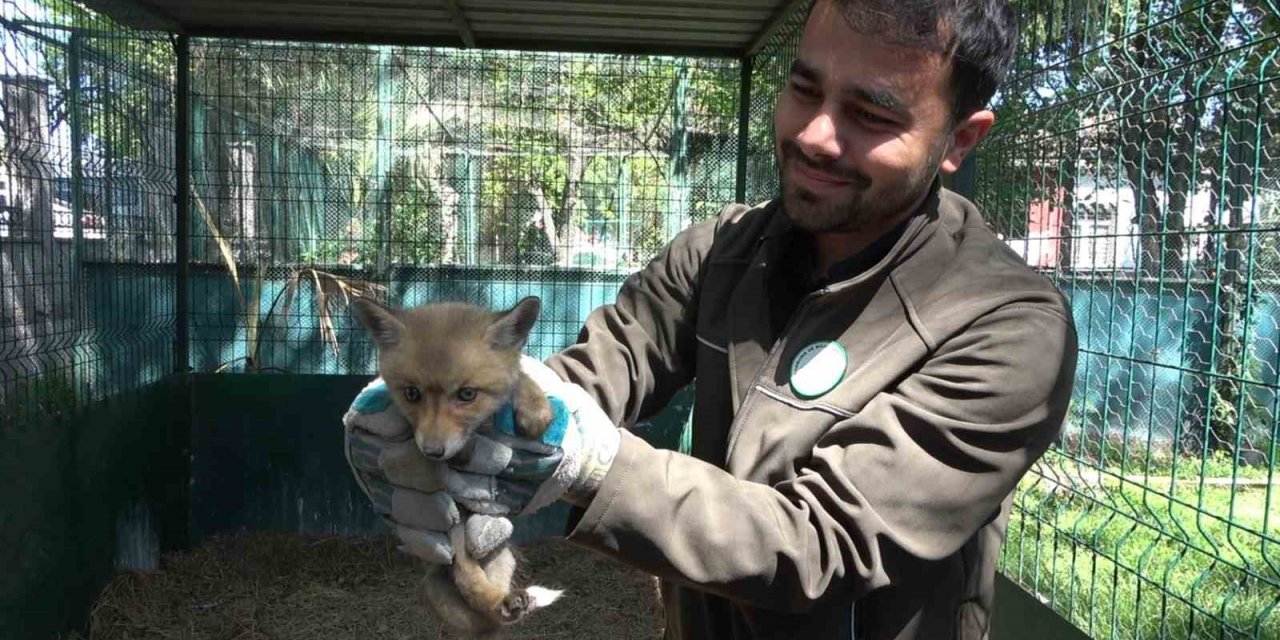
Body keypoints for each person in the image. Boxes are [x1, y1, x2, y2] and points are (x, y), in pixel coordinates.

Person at [342, 0, 1079, 637]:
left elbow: (822, 543)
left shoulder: (1007, 326)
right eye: (804, 88)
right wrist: (467, 414)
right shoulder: (724, 252)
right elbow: (603, 368)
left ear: (959, 140)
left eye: (872, 114)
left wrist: (592, 464)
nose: (817, 134)